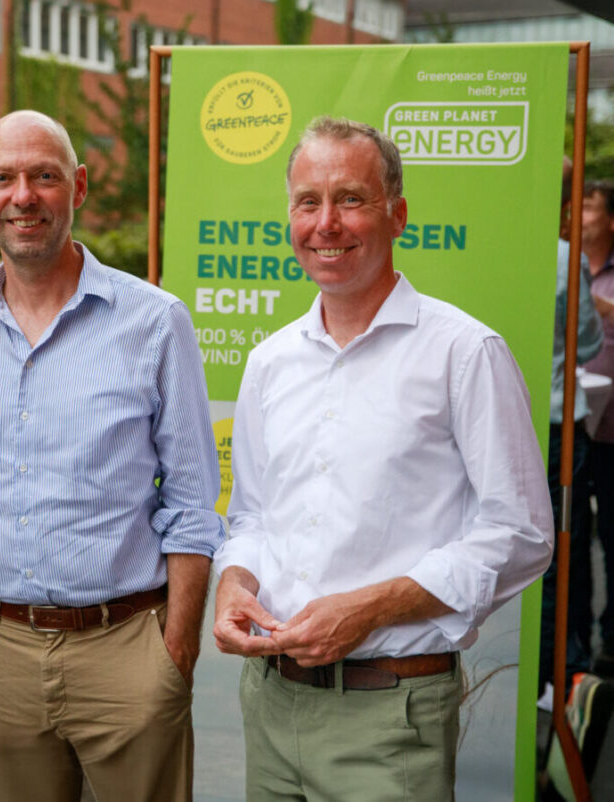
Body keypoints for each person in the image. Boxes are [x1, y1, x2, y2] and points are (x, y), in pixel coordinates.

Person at [212, 116, 553, 801]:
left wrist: (369, 608)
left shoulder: (464, 352)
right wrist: (233, 582)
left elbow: (521, 535)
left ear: (396, 214)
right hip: (271, 703)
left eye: (351, 199)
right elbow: (250, 513)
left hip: (390, 713)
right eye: (309, 202)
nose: (327, 222)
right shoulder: (270, 361)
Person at [0, 109, 222, 802]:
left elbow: (190, 499)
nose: (23, 196)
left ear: (79, 187)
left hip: (127, 649)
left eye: (44, 176)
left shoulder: (154, 321)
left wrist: (174, 654)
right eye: (4, 178)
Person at [538, 160, 603, 696]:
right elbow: (586, 345)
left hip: (495, 423)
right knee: (565, 548)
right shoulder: (566, 259)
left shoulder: (487, 248)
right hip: (558, 431)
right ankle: (566, 676)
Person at [583, 179, 614, 676]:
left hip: (610, 426)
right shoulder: (562, 263)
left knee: (610, 531)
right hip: (572, 419)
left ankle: (609, 640)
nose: (579, 214)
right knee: (571, 538)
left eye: (590, 207)